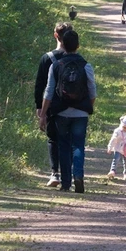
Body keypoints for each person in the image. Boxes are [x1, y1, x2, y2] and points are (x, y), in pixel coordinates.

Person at [38, 30, 95, 193]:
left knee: (63, 146)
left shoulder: (56, 65)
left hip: (61, 113)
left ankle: (65, 183)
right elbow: (93, 90)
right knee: (78, 145)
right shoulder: (86, 65)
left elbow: (48, 91)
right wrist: (86, 106)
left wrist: (43, 115)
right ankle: (78, 175)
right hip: (80, 114)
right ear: (78, 45)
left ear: (62, 44)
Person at [34, 22, 72, 187]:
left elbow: (40, 85)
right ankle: (68, 175)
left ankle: (54, 173)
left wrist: (39, 108)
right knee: (69, 140)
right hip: (72, 105)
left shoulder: (47, 58)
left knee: (53, 139)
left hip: (51, 105)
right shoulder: (75, 58)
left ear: (55, 35)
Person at [107, 115, 126, 180]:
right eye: (125, 127)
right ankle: (112, 171)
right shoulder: (118, 131)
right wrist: (110, 147)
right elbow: (113, 140)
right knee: (116, 159)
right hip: (118, 149)